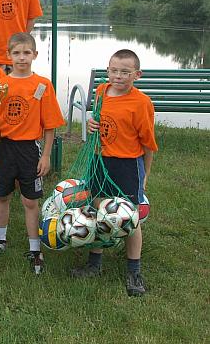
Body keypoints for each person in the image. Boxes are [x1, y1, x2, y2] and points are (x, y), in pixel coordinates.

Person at [71, 49, 158, 297]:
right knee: (99, 211)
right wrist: (90, 124)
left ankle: (133, 270)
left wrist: (144, 176)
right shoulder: (101, 91)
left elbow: (147, 145)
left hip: (127, 165)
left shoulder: (141, 103)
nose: (118, 76)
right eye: (114, 70)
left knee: (130, 217)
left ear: (137, 75)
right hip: (99, 161)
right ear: (107, 70)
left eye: (125, 72)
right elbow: (98, 122)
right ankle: (94, 263)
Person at [0, 32, 64, 274]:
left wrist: (46, 155)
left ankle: (35, 248)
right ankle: (0, 240)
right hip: (5, 147)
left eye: (26, 53)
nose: (21, 58)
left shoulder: (42, 85)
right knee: (2, 196)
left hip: (29, 148)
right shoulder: (1, 84)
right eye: (16, 53)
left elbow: (50, 125)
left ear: (35, 55)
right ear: (8, 55)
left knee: (30, 200)